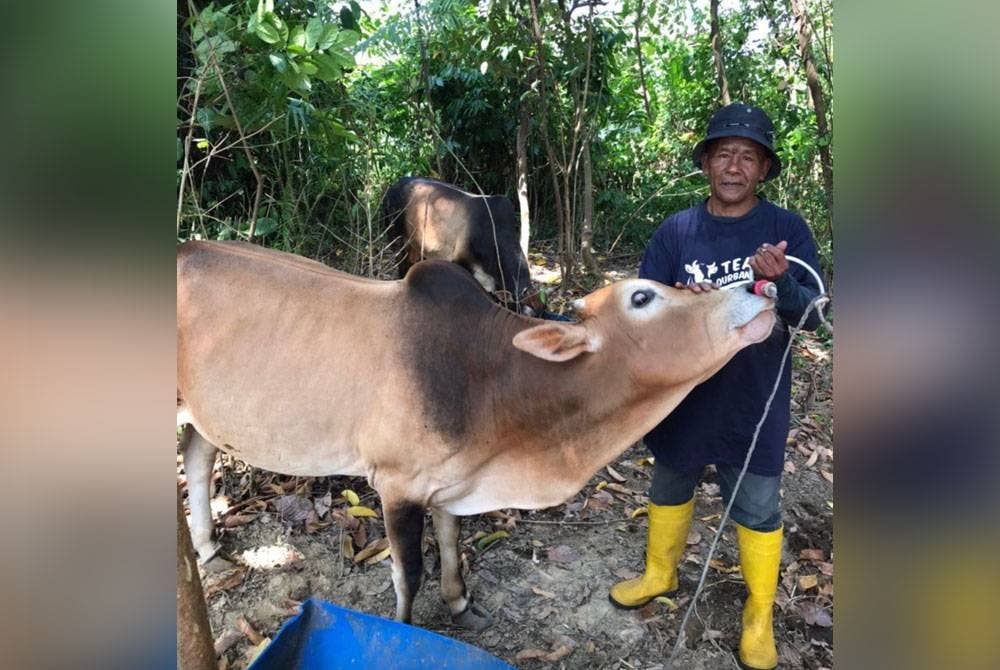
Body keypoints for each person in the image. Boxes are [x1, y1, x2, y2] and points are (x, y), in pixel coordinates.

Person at [609, 103, 823, 670]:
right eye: (723, 154)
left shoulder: (786, 231)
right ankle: (660, 573)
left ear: (763, 169)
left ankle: (758, 616)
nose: (733, 166)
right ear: (705, 163)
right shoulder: (676, 231)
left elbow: (815, 317)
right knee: (670, 479)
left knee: (756, 504)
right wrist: (680, 303)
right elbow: (643, 314)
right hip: (683, 393)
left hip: (754, 398)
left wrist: (782, 284)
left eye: (747, 157)